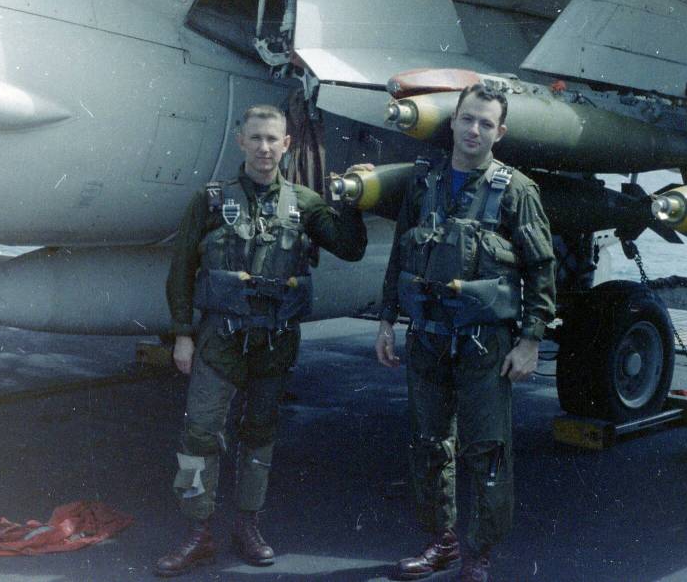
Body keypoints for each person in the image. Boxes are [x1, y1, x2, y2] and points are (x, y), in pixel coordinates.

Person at [156, 104, 367, 577]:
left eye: (273, 139)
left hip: (274, 343)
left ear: (287, 144)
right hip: (218, 342)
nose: (264, 148)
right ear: (240, 141)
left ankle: (247, 526)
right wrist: (182, 336)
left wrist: (353, 202)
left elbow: (350, 249)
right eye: (256, 138)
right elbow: (181, 271)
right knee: (198, 435)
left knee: (259, 438)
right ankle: (197, 531)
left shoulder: (305, 202)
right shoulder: (210, 200)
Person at [375, 84, 556, 582]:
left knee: (487, 449)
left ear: (500, 132)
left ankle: (480, 554)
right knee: (429, 443)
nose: (474, 130)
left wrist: (531, 340)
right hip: (428, 336)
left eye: (485, 123)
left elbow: (541, 267)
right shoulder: (425, 182)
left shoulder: (516, 190)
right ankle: (443, 542)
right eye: (467, 119)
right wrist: (388, 319)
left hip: (485, 343)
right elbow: (402, 253)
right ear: (453, 121)